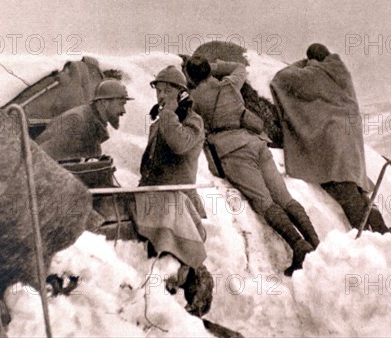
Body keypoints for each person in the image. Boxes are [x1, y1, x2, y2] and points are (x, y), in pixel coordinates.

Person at [186, 55, 319, 276]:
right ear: (209, 71)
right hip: (256, 142)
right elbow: (240, 66)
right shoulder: (229, 84)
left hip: (233, 152)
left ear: (190, 76)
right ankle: (314, 241)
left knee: (264, 202)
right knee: (284, 197)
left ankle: (298, 245)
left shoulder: (194, 99)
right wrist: (217, 67)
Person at [270, 43, 391, 234]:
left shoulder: (316, 73)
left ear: (312, 60)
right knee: (357, 190)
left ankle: (367, 235)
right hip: (352, 141)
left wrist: (302, 63)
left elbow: (282, 79)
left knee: (344, 190)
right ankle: (381, 230)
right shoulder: (341, 70)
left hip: (334, 140)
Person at [137, 65, 212, 317]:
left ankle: (198, 296)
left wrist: (169, 113)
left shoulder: (193, 121)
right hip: (155, 203)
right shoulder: (162, 122)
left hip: (180, 203)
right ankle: (164, 313)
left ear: (181, 93)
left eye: (167, 90)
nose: (160, 96)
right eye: (158, 90)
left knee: (179, 263)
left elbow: (179, 145)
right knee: (158, 262)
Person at [36, 79, 132, 161]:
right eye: (121, 104)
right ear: (104, 102)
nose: (123, 111)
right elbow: (43, 160)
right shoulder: (78, 123)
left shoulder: (91, 118)